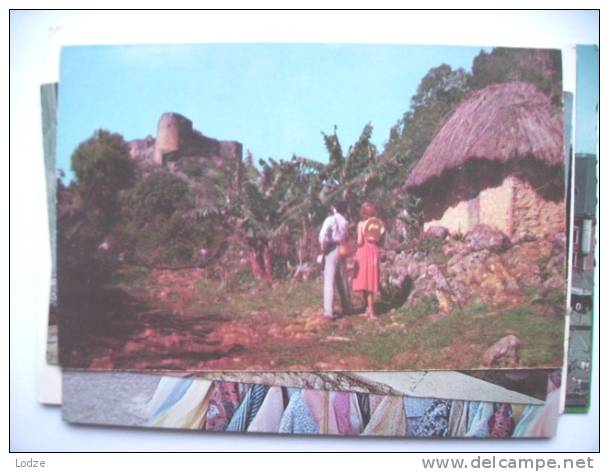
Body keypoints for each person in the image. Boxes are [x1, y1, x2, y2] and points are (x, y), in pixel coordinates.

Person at [318, 201, 352, 319]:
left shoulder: (330, 219)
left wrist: (323, 248)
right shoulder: (345, 222)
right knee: (342, 279)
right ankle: (347, 307)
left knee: (329, 280)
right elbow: (346, 236)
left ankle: (329, 311)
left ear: (335, 209)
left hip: (331, 249)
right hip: (342, 248)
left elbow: (323, 235)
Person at [352, 202, 384, 319]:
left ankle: (370, 310)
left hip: (363, 252)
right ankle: (368, 308)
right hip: (374, 252)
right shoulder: (379, 224)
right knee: (371, 280)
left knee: (365, 280)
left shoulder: (361, 224)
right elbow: (381, 242)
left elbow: (360, 241)